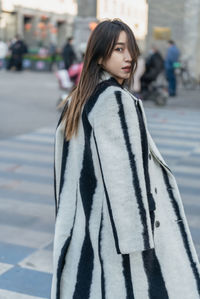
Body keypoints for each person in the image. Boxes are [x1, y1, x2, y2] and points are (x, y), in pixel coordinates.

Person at [51, 19, 200, 299]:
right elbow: (126, 178)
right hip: (120, 240)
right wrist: (145, 248)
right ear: (98, 55)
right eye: (118, 49)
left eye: (130, 49)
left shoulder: (77, 100)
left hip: (86, 227)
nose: (129, 57)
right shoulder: (115, 101)